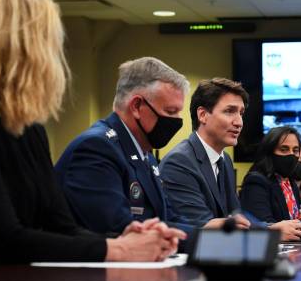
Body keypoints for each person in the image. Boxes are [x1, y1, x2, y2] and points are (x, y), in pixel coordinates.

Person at [0, 0, 185, 266]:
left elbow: (61, 226)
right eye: (51, 44)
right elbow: (3, 238)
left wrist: (124, 239)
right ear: (25, 50)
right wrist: (118, 251)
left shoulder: (29, 128)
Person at [55, 57, 243, 238]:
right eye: (170, 111)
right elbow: (119, 229)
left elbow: (169, 219)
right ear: (136, 106)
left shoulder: (145, 155)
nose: (177, 121)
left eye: (178, 112)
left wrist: (213, 236)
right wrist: (209, 239)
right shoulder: (97, 148)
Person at [160, 78, 301, 241]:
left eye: (241, 113)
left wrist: (269, 228)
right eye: (229, 111)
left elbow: (237, 217)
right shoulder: (179, 162)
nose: (239, 122)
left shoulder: (225, 160)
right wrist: (271, 233)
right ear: (203, 115)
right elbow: (202, 227)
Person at [240, 126, 301, 237]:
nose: (291, 155)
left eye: (295, 150)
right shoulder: (256, 182)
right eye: (284, 149)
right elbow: (267, 228)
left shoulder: (289, 182)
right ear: (269, 151)